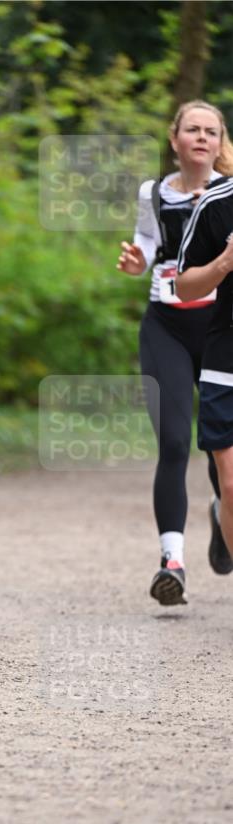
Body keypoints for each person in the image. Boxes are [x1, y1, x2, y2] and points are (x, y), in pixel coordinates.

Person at [117, 101, 233, 605]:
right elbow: (148, 245)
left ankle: (223, 512)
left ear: (221, 142)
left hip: (221, 328)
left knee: (221, 451)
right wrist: (137, 261)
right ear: (174, 139)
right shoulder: (153, 192)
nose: (202, 137)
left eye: (211, 131)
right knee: (173, 440)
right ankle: (172, 562)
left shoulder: (227, 196)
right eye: (193, 129)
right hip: (166, 325)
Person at [176, 177, 233, 562]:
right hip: (226, 364)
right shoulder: (217, 203)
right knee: (231, 487)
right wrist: (225, 262)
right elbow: (184, 287)